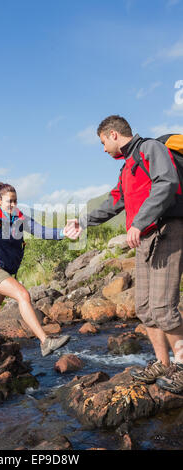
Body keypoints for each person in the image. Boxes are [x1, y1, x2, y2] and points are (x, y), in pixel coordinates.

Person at [71, 115, 183, 394]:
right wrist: (82, 222)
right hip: (144, 238)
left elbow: (166, 183)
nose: (103, 149)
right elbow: (114, 202)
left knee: (163, 308)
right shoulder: (127, 167)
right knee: (145, 308)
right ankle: (163, 364)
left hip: (166, 231)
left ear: (112, 134)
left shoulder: (150, 150)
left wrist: (139, 221)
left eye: (102, 143)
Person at [0, 182, 80, 357]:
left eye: (15, 201)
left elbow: (41, 231)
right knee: (23, 295)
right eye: (9, 201)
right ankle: (45, 342)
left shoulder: (21, 219)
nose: (13, 205)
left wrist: (62, 233)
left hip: (5, 272)